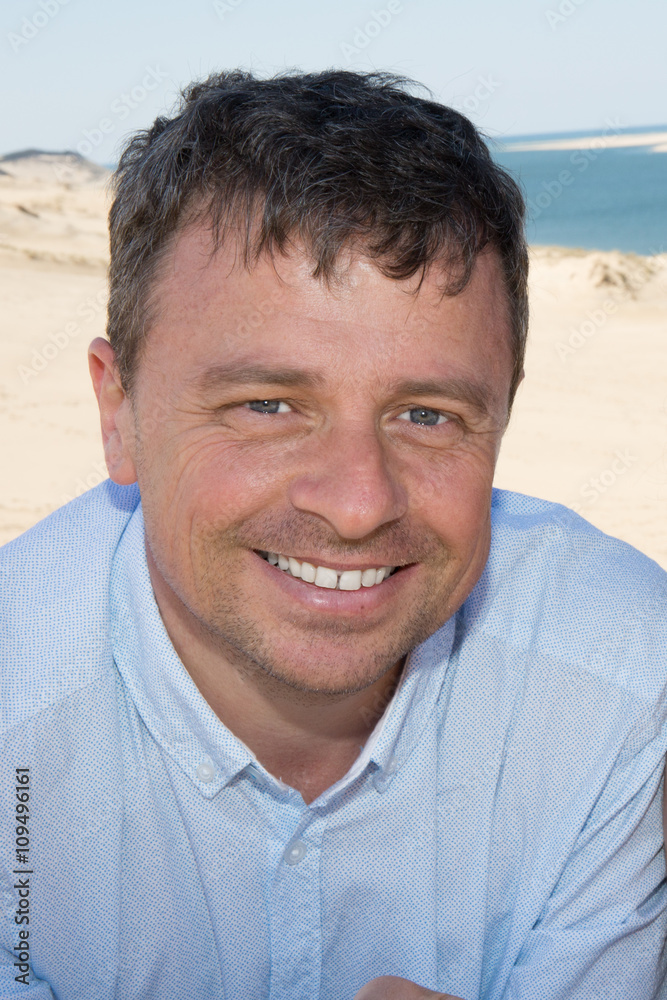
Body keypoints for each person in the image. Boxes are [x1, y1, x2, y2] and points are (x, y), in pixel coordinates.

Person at [1, 69, 666, 1000]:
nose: (358, 505)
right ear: (119, 413)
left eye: (428, 415)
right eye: (266, 403)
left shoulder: (621, 684)